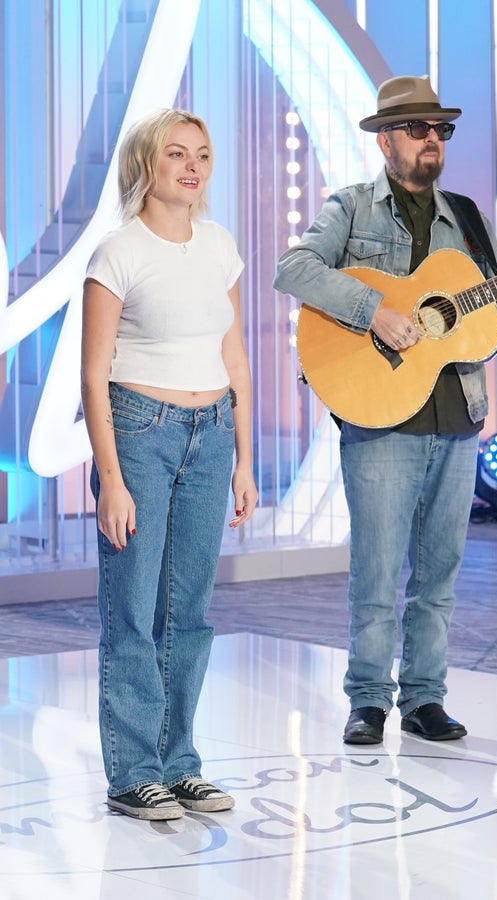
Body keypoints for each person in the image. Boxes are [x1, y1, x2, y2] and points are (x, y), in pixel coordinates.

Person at [274, 76, 497, 745]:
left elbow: (490, 329)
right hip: (380, 415)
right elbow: (294, 269)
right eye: (420, 129)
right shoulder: (350, 210)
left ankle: (425, 697)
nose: (433, 141)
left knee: (440, 570)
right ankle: (368, 699)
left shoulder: (469, 218)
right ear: (386, 139)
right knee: (377, 569)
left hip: (457, 417)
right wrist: (375, 310)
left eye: (442, 130)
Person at [81, 108, 258, 819]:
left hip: (212, 433)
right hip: (139, 431)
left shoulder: (220, 247)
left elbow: (236, 357)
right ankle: (132, 773)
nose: (193, 166)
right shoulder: (117, 253)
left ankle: (179, 763)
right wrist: (112, 479)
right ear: (147, 166)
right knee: (134, 608)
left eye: (204, 155)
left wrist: (248, 460)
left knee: (190, 612)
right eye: (178, 154)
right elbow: (94, 376)